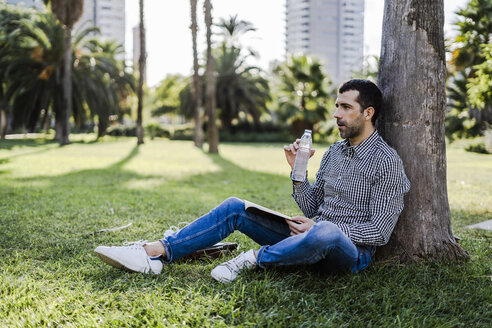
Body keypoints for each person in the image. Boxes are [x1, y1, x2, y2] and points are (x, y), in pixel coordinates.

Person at [94, 79, 410, 283]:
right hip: (306, 237)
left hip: (347, 253)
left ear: (367, 113)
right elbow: (312, 206)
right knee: (236, 207)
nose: (336, 114)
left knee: (326, 230)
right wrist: (297, 173)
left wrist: (322, 229)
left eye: (346, 107)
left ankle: (252, 260)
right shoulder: (333, 154)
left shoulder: (387, 162)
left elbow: (380, 233)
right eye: (337, 105)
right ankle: (156, 252)